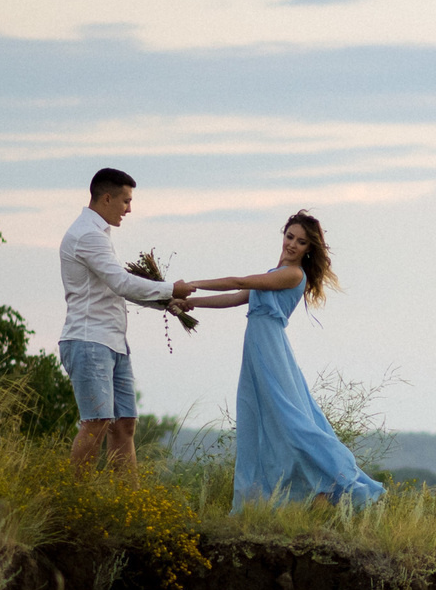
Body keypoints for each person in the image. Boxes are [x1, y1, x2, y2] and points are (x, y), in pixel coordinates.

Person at [179, 210, 386, 509]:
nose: (292, 244)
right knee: (262, 421)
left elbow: (237, 281)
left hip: (271, 349)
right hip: (258, 348)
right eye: (290, 237)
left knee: (293, 423)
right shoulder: (274, 274)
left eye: (301, 242)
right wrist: (189, 303)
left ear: (308, 249)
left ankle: (338, 486)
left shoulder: (293, 274)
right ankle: (291, 498)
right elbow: (237, 298)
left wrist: (190, 284)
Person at [58, 167, 188, 472]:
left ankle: (126, 501)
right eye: (126, 201)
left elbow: (116, 288)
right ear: (106, 198)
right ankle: (72, 499)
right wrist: (170, 287)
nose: (129, 209)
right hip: (89, 340)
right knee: (98, 421)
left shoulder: (98, 234)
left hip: (113, 341)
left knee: (124, 424)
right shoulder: (87, 235)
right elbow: (121, 282)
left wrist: (166, 302)